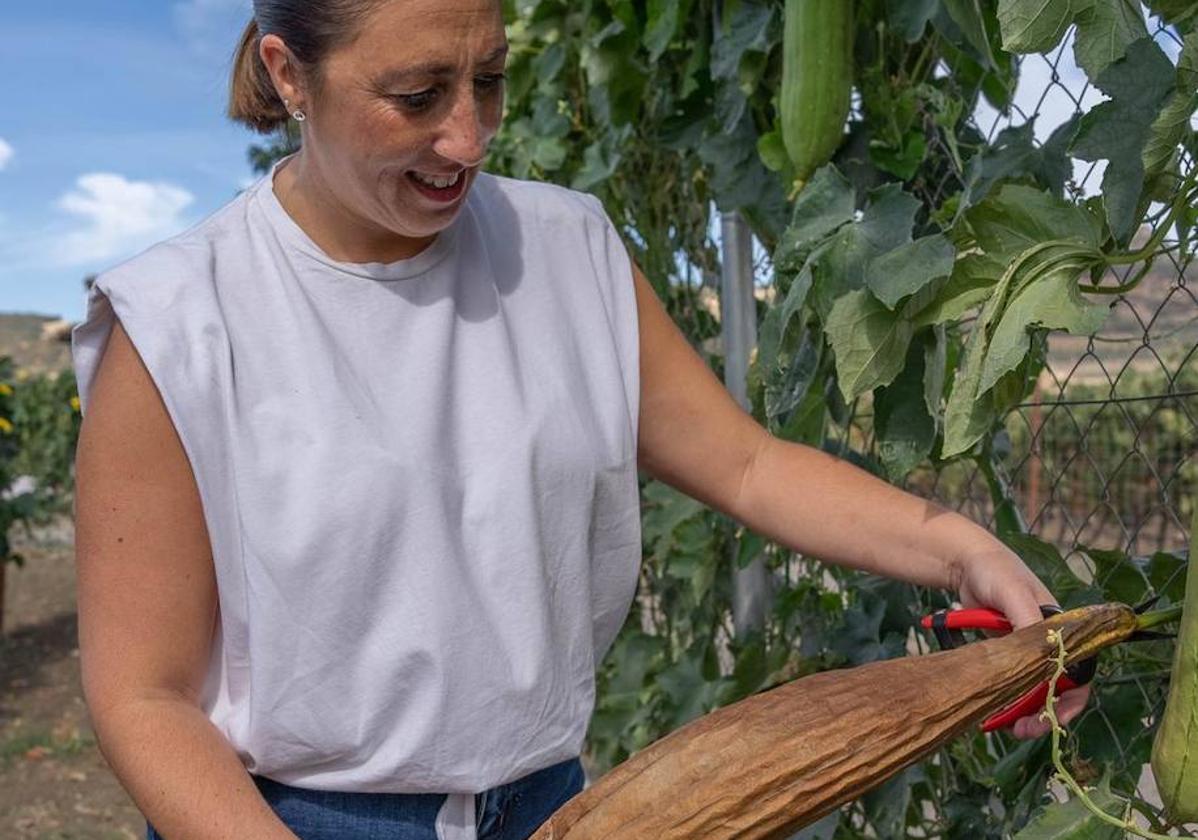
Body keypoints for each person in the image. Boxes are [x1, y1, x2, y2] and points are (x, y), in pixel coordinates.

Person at [69, 1, 1091, 838]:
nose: (467, 137)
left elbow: (744, 467)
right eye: (417, 95)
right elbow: (143, 698)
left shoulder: (565, 247)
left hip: (562, 809)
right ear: (289, 74)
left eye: (491, 79)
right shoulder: (181, 318)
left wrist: (958, 549)